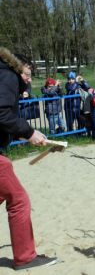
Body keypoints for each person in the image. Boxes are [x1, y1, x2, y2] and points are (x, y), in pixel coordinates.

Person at [0, 47, 58, 270]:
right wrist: (29, 132)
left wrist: (23, 134)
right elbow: (2, 113)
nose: (28, 79)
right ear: (16, 67)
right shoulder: (7, 75)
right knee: (19, 199)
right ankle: (25, 257)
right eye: (27, 74)